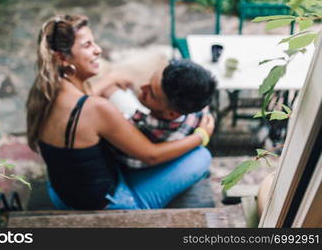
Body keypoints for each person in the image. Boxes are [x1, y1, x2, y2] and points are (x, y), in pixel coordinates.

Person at [26, 14, 214, 210]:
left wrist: (109, 80)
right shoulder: (97, 109)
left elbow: (83, 106)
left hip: (61, 194)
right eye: (88, 45)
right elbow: (151, 156)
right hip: (109, 205)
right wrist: (201, 135)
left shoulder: (47, 90)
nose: (98, 50)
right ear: (63, 58)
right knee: (202, 157)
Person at [100, 60, 217, 169]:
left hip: (123, 163)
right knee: (110, 90)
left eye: (152, 93)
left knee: (105, 91)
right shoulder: (198, 110)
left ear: (171, 114)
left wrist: (109, 79)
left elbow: (88, 108)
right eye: (150, 81)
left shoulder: (140, 126)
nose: (142, 88)